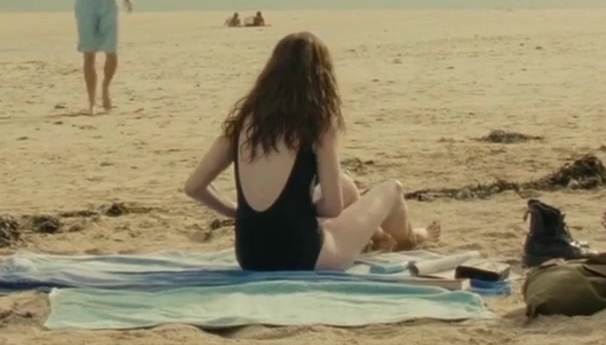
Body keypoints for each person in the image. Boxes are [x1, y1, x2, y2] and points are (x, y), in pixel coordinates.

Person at [181, 31, 438, 271]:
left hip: (250, 257)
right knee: (392, 190)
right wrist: (298, 212)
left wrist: (238, 212)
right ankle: (410, 239)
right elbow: (332, 208)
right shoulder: (317, 125)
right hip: (304, 256)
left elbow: (194, 186)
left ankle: (379, 237)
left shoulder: (241, 125)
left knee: (346, 184)